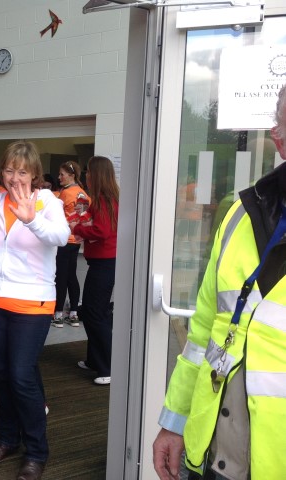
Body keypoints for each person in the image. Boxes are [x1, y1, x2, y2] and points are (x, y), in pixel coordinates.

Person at [152, 85, 286, 480]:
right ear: (279, 138)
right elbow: (203, 336)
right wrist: (174, 422)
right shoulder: (241, 215)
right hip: (216, 457)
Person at [0, 141, 69, 480]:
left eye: (22, 172)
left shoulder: (47, 202)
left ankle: (37, 451)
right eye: (9, 170)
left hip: (32, 304)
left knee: (22, 375)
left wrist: (32, 220)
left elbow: (62, 236)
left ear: (34, 173)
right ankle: (8, 438)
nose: (14, 178)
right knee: (1, 373)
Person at [70, 156, 118, 386]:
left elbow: (102, 231)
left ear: (97, 174)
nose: (86, 175)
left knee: (95, 313)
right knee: (94, 312)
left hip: (105, 264)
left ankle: (107, 367)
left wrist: (77, 228)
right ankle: (94, 360)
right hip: (104, 262)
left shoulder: (104, 200)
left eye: (88, 172)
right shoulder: (106, 199)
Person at [51, 161, 89, 328]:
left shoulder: (65, 193)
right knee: (71, 276)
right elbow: (85, 217)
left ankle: (58, 314)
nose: (59, 177)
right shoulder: (83, 193)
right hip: (77, 240)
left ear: (72, 175)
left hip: (64, 240)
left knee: (61, 276)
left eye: (62, 174)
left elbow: (56, 216)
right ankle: (73, 313)